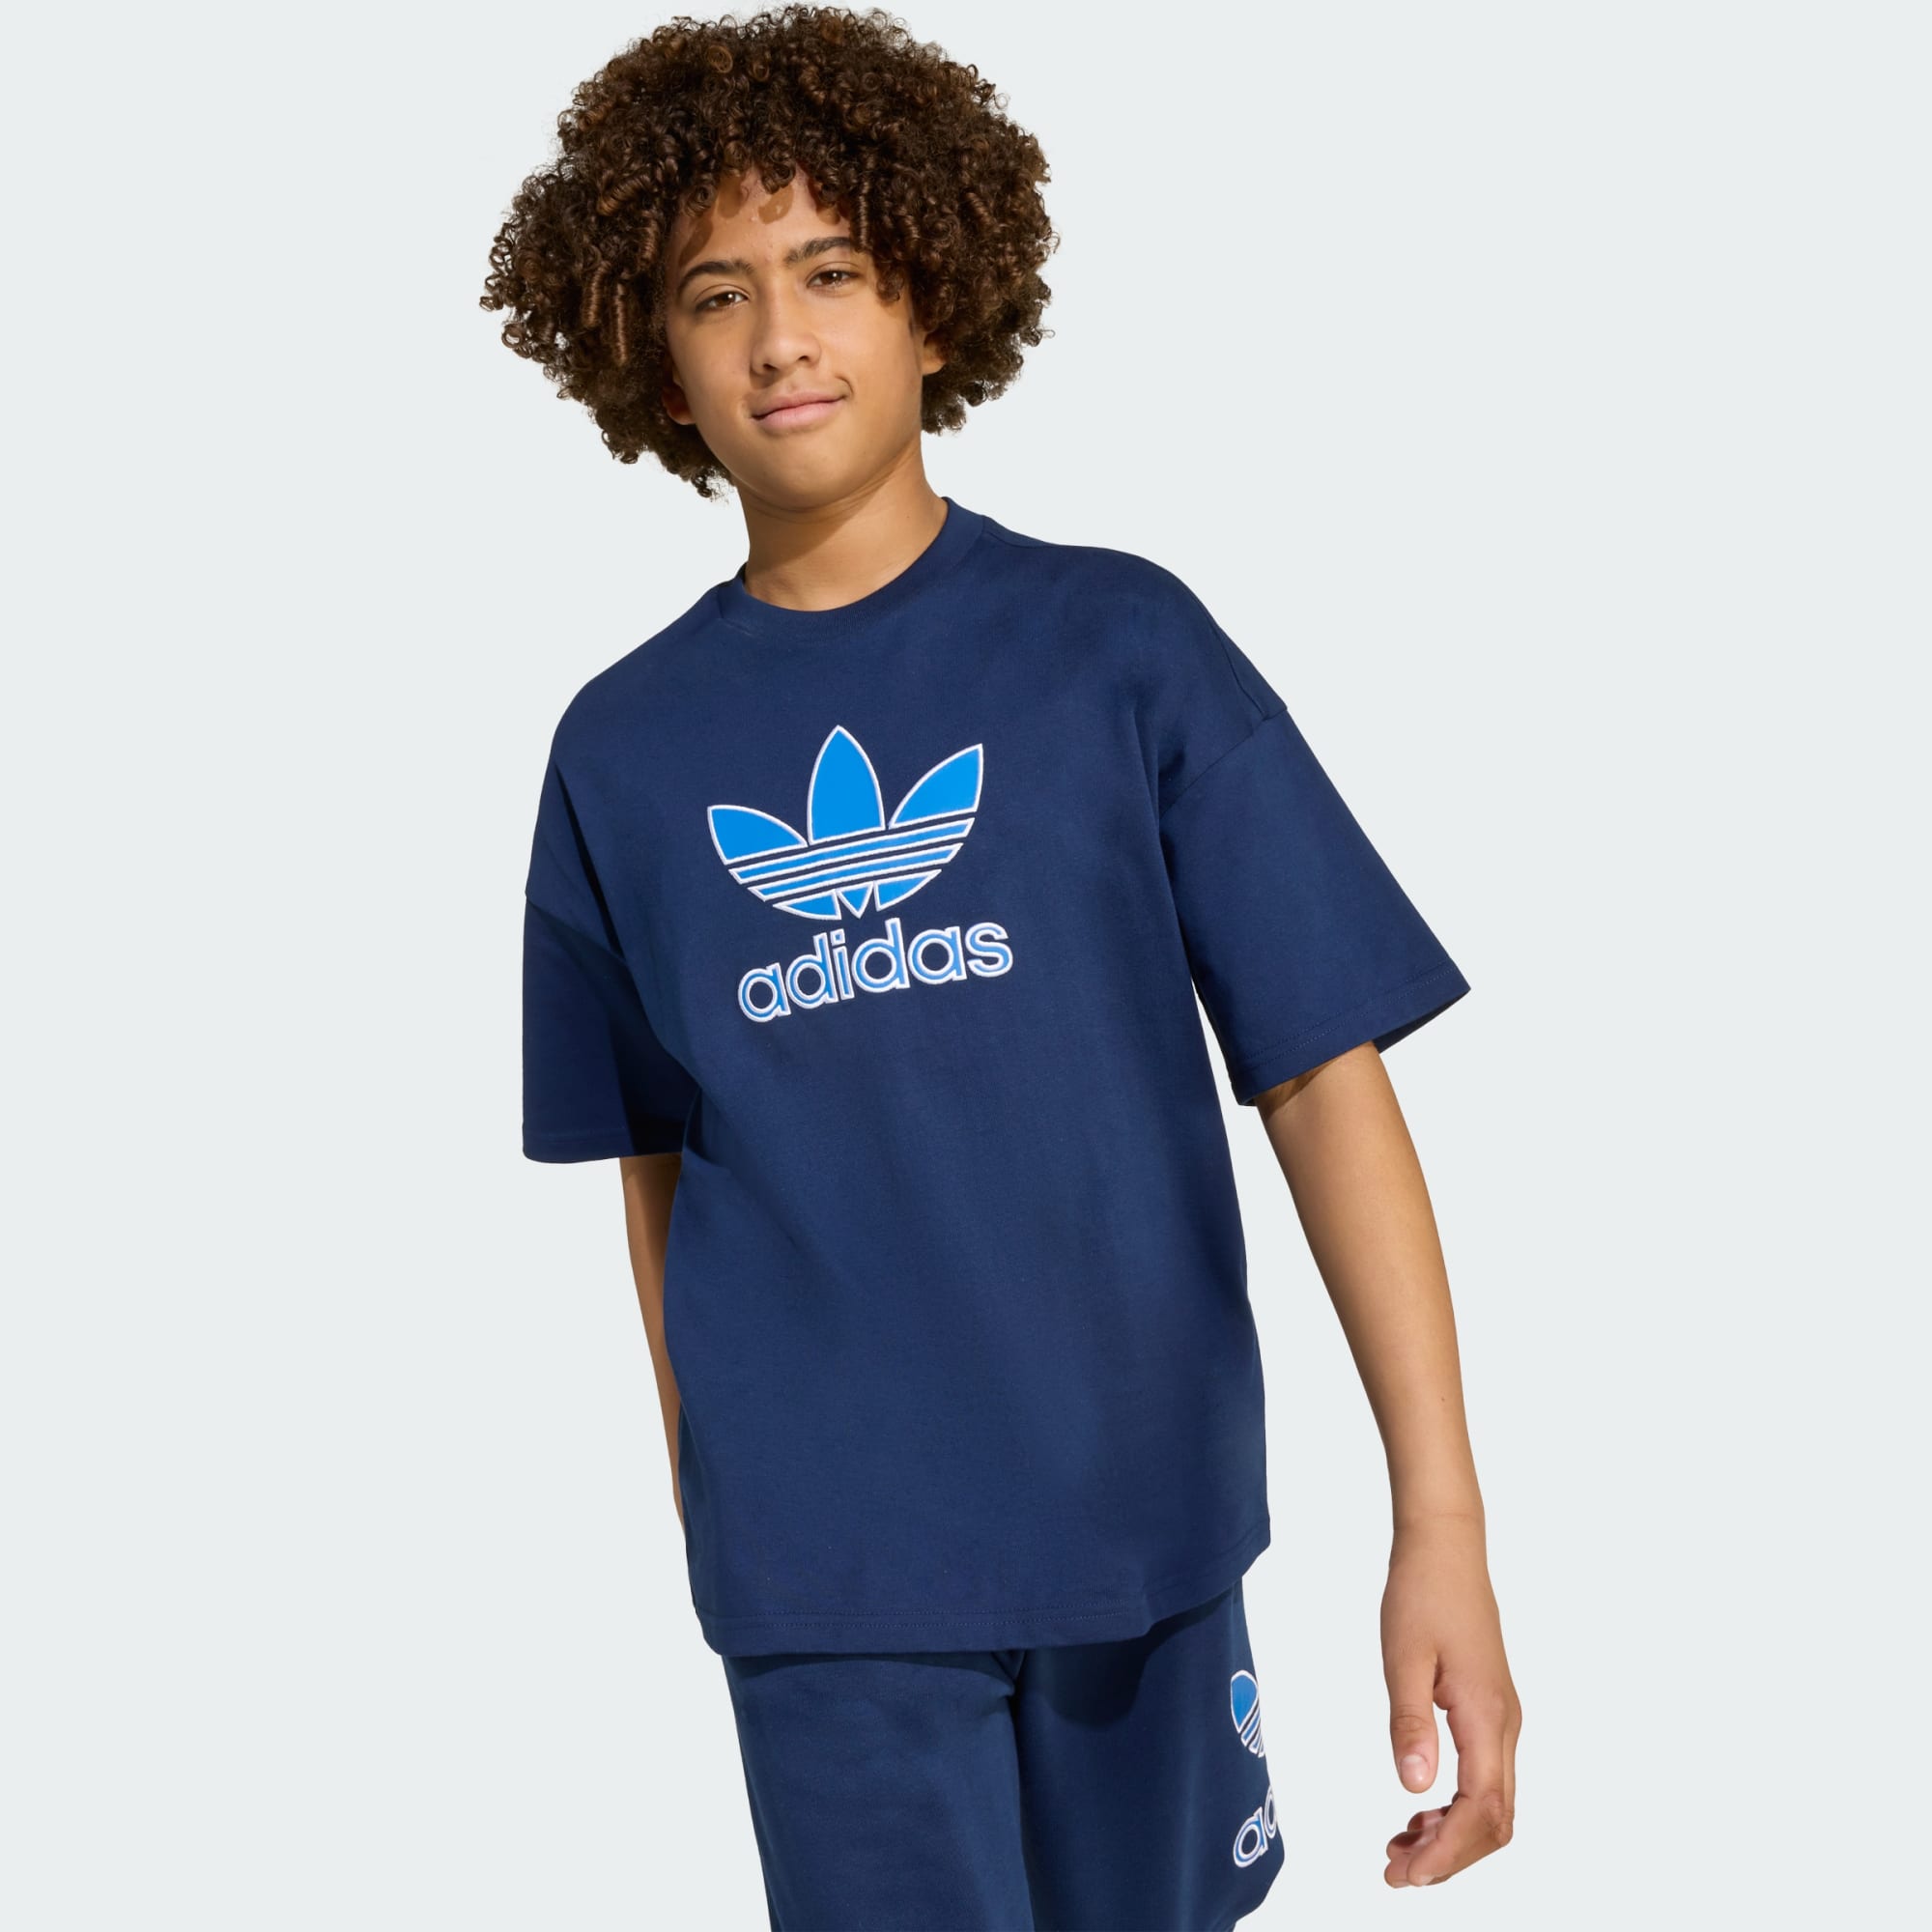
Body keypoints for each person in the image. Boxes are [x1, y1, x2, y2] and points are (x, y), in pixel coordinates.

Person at [482, 8, 1520, 1924]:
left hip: (1145, 1530)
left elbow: (1319, 1073)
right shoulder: (619, 751)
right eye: (716, 293)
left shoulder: (1120, 649)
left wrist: (1437, 1517)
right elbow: (656, 1168)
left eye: (831, 270)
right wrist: (731, 1515)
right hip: (832, 1590)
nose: (779, 337)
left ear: (935, 300)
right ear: (649, 356)